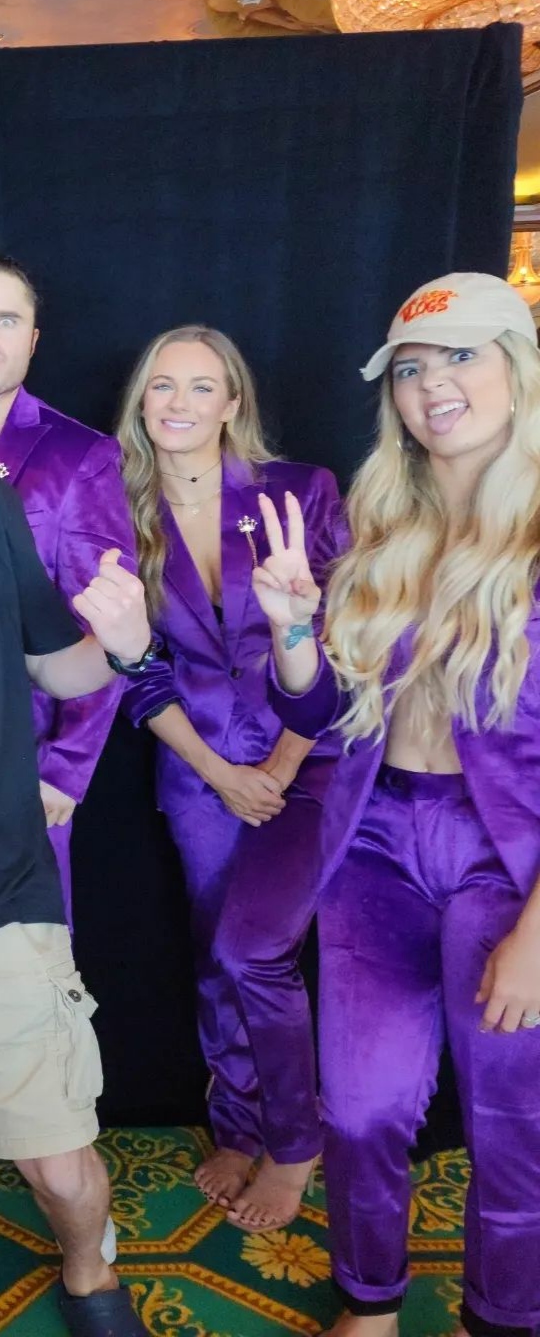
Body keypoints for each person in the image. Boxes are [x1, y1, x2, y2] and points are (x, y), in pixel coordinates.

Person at [252, 273, 540, 1336]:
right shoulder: (383, 528)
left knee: (513, 1122)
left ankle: (498, 1318)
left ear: (520, 368)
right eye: (411, 368)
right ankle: (368, 1303)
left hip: (509, 861)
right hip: (374, 842)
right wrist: (291, 629)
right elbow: (325, 710)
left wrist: (538, 932)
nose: (432, 385)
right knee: (364, 1108)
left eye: (461, 355)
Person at [117, 325, 346, 1230]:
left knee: (260, 952)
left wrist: (282, 762)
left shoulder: (301, 490)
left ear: (233, 403)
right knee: (219, 954)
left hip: (311, 757)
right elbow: (136, 669)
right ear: (142, 401)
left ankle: (294, 1141)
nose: (178, 403)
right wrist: (218, 773)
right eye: (161, 385)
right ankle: (239, 1125)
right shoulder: (118, 509)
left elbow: (345, 635)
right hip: (196, 767)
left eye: (201, 386)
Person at [0, 477, 155, 1337]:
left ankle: (90, 1270)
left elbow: (57, 665)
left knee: (58, 1166)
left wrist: (125, 646)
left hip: (4, 893)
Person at [0, 255, 136, 929]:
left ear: (32, 339)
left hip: (22, 771)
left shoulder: (78, 454)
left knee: (25, 970)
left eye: (6, 319)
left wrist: (64, 767)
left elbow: (101, 621)